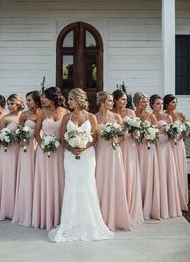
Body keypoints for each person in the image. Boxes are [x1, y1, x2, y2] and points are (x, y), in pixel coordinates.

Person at [49, 88, 114, 242]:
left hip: (87, 156)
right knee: (71, 186)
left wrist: (83, 147)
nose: (68, 102)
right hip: (70, 157)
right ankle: (69, 223)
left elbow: (96, 137)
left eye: (71, 99)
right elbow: (62, 138)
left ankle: (90, 223)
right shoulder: (66, 117)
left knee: (87, 185)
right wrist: (72, 148)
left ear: (78, 100)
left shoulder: (91, 117)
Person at [32, 87, 68, 230]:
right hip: (44, 153)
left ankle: (60, 215)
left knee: (60, 180)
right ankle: (45, 215)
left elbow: (67, 132)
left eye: (45, 97)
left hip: (60, 151)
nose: (42, 99)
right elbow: (36, 133)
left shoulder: (66, 112)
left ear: (52, 98)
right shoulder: (42, 112)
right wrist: (43, 145)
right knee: (46, 181)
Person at [95, 91, 130, 230]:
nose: (112, 103)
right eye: (109, 101)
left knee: (115, 180)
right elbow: (93, 136)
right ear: (102, 102)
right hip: (101, 152)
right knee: (101, 180)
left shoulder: (116, 117)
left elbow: (123, 136)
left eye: (111, 100)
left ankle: (116, 216)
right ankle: (100, 215)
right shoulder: (94, 117)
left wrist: (115, 139)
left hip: (114, 151)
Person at [112, 89, 143, 225]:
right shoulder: (111, 114)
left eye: (125, 99)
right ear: (115, 100)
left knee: (129, 175)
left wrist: (135, 130)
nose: (125, 102)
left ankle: (130, 208)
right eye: (122, 99)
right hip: (117, 146)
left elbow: (137, 132)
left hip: (129, 145)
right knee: (119, 176)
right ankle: (118, 209)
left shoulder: (130, 113)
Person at [0, 94, 24, 220]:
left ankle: (19, 208)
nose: (10, 106)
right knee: (8, 178)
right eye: (9, 104)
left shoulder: (24, 116)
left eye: (13, 103)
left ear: (19, 104)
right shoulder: (5, 119)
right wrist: (4, 139)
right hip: (7, 152)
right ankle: (6, 209)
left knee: (19, 177)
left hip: (20, 151)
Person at [12, 91, 41, 227]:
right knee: (28, 176)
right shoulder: (24, 115)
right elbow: (18, 133)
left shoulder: (44, 112)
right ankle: (27, 208)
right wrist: (22, 135)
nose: (27, 103)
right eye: (26, 100)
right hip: (27, 147)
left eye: (29, 100)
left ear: (36, 100)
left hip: (42, 146)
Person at [150, 94, 182, 218]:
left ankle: (166, 205)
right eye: (157, 103)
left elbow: (173, 135)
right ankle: (155, 203)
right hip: (153, 147)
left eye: (162, 104)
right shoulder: (148, 116)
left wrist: (172, 133)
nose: (160, 106)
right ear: (152, 104)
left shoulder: (167, 117)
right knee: (155, 174)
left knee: (164, 173)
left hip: (164, 148)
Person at [133, 92, 160, 220]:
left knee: (146, 175)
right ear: (137, 102)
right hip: (135, 148)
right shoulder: (132, 114)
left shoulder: (151, 116)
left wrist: (150, 134)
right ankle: (135, 205)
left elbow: (156, 134)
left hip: (148, 148)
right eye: (143, 101)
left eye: (146, 101)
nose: (146, 104)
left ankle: (147, 206)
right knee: (135, 175)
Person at [164, 94, 188, 211]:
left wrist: (180, 137)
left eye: (176, 102)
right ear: (167, 103)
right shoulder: (163, 115)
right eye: (173, 102)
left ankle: (180, 198)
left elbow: (187, 132)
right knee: (169, 170)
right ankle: (169, 198)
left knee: (179, 169)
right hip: (167, 146)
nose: (175, 104)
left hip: (178, 145)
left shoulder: (181, 115)